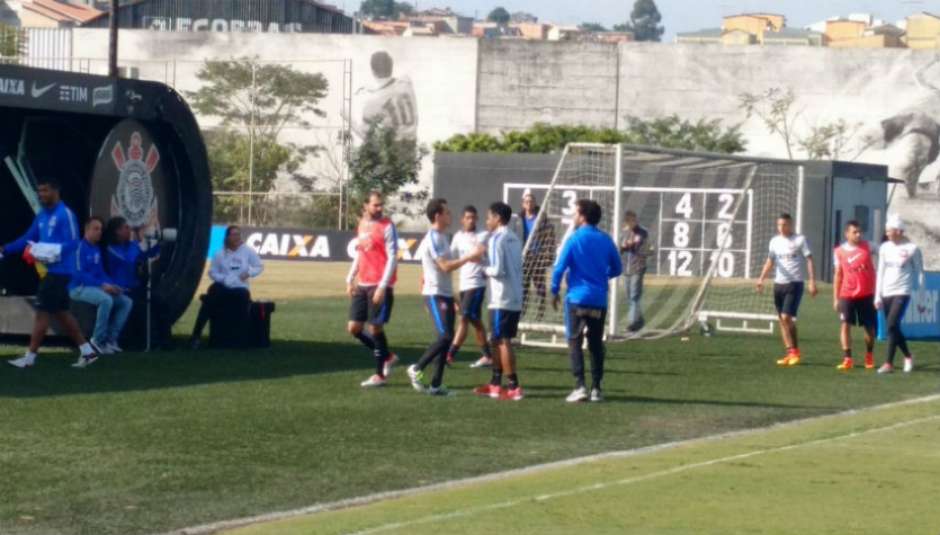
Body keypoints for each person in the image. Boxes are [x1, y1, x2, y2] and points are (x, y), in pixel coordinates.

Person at [0, 177, 99, 369]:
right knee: (62, 313)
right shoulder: (42, 216)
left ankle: (30, 358)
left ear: (56, 191)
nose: (41, 195)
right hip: (49, 272)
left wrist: (49, 251)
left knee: (42, 313)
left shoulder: (65, 214)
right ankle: (88, 352)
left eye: (45, 190)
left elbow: (73, 243)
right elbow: (28, 238)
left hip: (60, 272)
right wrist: (6, 248)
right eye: (39, 191)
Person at [407, 199, 483, 395]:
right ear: (438, 216)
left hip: (445, 294)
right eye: (447, 212)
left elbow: (445, 272)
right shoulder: (433, 238)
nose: (450, 215)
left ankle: (436, 385)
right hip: (435, 294)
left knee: (446, 339)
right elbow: (445, 267)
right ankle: (417, 368)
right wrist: (470, 257)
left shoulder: (442, 237)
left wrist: (454, 298)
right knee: (446, 335)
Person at [552, 199, 623, 403]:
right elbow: (617, 268)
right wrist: (601, 277)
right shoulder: (606, 240)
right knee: (595, 344)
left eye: (576, 213)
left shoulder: (574, 239)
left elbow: (559, 268)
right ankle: (596, 388)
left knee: (574, 340)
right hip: (598, 300)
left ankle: (580, 386)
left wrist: (555, 290)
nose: (574, 216)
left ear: (582, 216)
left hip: (576, 299)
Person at [346, 192, 400, 388]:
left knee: (375, 327)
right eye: (375, 205)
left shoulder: (387, 226)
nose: (379, 208)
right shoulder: (362, 224)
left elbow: (393, 257)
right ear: (365, 206)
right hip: (363, 283)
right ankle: (387, 356)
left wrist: (383, 286)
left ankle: (380, 375)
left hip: (380, 284)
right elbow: (360, 253)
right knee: (354, 328)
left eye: (381, 205)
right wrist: (349, 277)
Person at [474, 202, 525, 401]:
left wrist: (481, 266)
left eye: (488, 217)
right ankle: (495, 383)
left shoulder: (496, 239)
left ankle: (513, 385)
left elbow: (497, 270)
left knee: (501, 340)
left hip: (500, 298)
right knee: (498, 339)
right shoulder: (514, 237)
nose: (487, 221)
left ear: (497, 218)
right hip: (515, 296)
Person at [756, 213, 818, 366]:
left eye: (784, 225)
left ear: (790, 225)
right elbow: (770, 261)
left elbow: (809, 260)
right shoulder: (774, 242)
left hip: (794, 284)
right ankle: (790, 352)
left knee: (786, 317)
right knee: (781, 320)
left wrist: (811, 282)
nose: (781, 228)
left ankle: (795, 351)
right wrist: (761, 278)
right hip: (779, 284)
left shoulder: (799, 240)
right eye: (779, 225)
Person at [189, 225, 263, 348]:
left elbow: (259, 266)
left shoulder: (248, 251)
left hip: (240, 288)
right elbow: (212, 272)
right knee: (210, 296)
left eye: (238, 234)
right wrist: (224, 279)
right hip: (223, 286)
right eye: (234, 235)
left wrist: (249, 273)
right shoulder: (219, 254)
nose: (237, 237)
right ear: (227, 237)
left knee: (243, 296)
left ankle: (241, 340)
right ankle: (196, 336)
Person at [69, 217, 133, 356]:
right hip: (78, 288)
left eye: (100, 229)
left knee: (126, 302)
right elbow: (79, 274)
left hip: (95, 287)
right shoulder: (79, 248)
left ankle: (111, 339)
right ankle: (97, 340)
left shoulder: (96, 249)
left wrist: (112, 285)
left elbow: (101, 272)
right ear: (87, 230)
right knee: (106, 300)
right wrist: (102, 285)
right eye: (95, 229)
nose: (99, 232)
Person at [103, 216, 164, 348]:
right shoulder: (110, 249)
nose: (129, 230)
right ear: (117, 231)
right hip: (120, 289)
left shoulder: (133, 245)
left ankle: (162, 342)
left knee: (160, 302)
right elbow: (129, 260)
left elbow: (149, 254)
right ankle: (120, 340)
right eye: (126, 227)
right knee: (139, 307)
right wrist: (141, 248)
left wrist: (158, 243)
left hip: (136, 288)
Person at [446, 206, 494, 369]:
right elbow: (451, 258)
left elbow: (481, 255)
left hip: (477, 283)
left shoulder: (483, 235)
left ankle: (450, 354)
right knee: (474, 320)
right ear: (462, 219)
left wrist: (478, 258)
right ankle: (488, 355)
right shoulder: (458, 237)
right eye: (468, 217)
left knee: (465, 316)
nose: (471, 220)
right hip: (464, 284)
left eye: (473, 217)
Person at [875, 215, 925, 374]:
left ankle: (888, 363)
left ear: (898, 231)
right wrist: (877, 295)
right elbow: (880, 271)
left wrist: (921, 296)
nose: (887, 233)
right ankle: (908, 356)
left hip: (902, 292)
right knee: (893, 327)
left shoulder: (912, 248)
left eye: (889, 230)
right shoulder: (884, 248)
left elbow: (920, 273)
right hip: (886, 292)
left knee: (891, 324)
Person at [832, 220, 878, 371]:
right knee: (845, 325)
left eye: (860, 232)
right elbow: (838, 275)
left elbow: (884, 252)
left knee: (869, 329)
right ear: (847, 234)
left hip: (867, 294)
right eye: (855, 232)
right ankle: (847, 358)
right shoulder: (839, 251)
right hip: (847, 295)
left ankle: (869, 354)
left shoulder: (869, 246)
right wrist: (835, 298)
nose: (858, 234)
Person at [350, 50, 418, 142]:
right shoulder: (407, 83)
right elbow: (392, 86)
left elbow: (366, 137)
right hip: (411, 148)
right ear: (391, 67)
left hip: (392, 153)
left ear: (373, 72)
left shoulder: (372, 104)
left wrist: (349, 119)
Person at [519, 192, 555, 322]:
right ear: (523, 204)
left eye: (531, 201)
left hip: (538, 256)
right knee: (523, 286)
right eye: (526, 201)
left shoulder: (542, 218)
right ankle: (522, 311)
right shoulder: (519, 219)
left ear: (535, 203)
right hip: (524, 257)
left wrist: (547, 254)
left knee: (540, 286)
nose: (529, 204)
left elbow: (550, 235)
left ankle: (540, 313)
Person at [620, 210, 649, 333]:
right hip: (626, 268)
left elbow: (640, 245)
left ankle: (632, 324)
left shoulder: (642, 232)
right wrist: (622, 247)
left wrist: (628, 245)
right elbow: (620, 247)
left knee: (634, 295)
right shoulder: (623, 232)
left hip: (637, 267)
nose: (633, 223)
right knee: (629, 296)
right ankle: (639, 320)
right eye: (630, 221)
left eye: (634, 220)